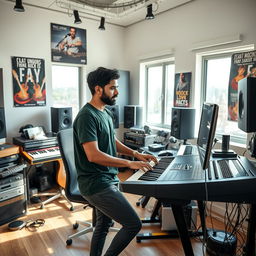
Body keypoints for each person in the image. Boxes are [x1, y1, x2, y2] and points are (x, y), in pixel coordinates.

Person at [73, 67, 158, 256]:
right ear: (98, 89)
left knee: (103, 225)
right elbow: (93, 155)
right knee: (133, 224)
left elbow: (112, 141)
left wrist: (135, 154)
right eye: (112, 88)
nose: (117, 92)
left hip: (108, 179)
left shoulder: (105, 112)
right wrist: (128, 164)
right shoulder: (86, 116)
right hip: (95, 184)